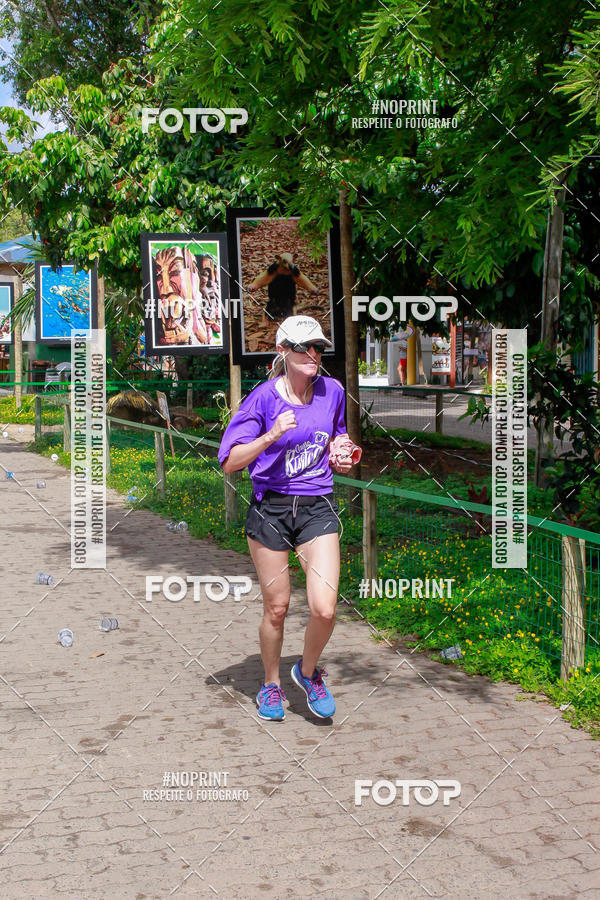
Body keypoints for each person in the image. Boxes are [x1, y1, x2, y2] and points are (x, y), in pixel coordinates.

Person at [218, 315, 357, 722]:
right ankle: (270, 684)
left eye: (319, 347)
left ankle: (307, 673)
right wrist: (270, 435)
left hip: (317, 506)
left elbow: (338, 435)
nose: (313, 354)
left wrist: (342, 451)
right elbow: (229, 462)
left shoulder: (332, 391)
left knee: (325, 608)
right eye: (303, 347)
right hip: (272, 509)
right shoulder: (262, 399)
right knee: (277, 608)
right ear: (283, 351)